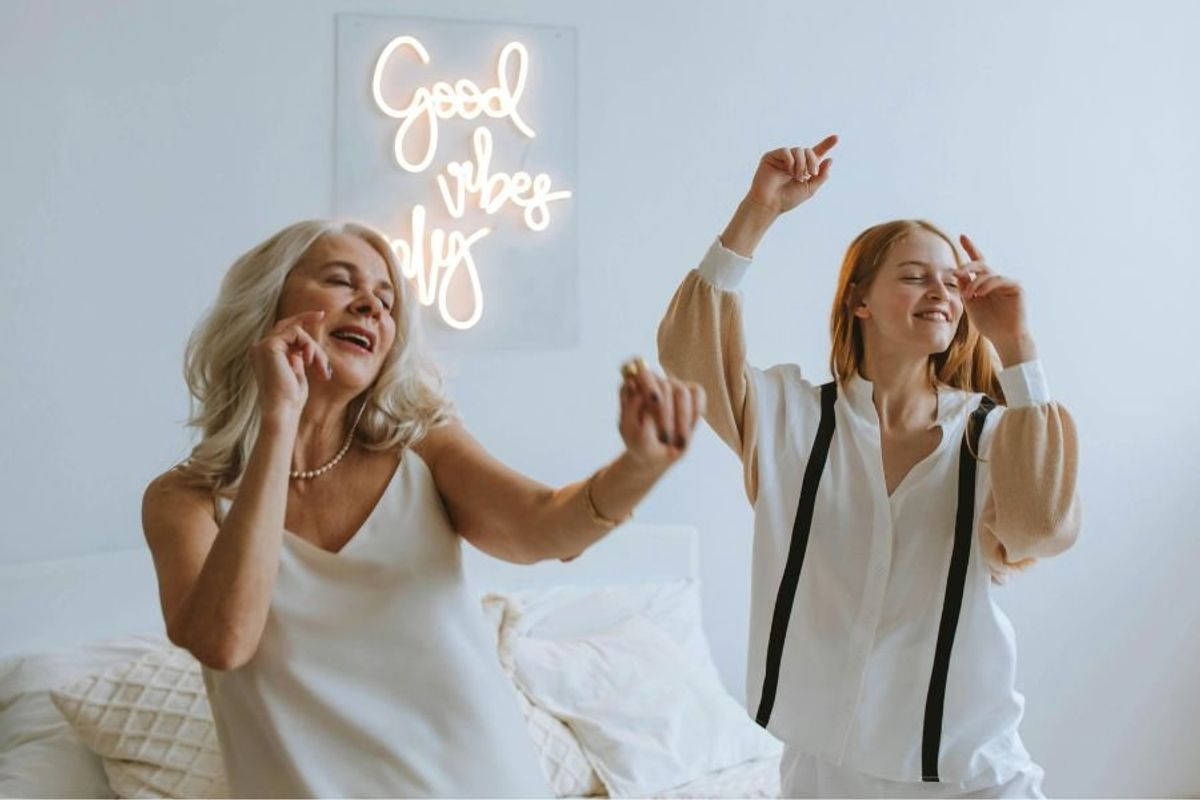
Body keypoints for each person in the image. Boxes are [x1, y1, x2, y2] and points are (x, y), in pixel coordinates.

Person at [142, 219, 704, 798]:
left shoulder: (424, 448)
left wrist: (638, 467)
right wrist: (281, 418)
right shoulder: (185, 501)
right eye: (341, 282)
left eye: (387, 301)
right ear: (267, 306)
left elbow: (544, 526)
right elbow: (223, 642)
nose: (370, 307)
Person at [658, 136, 1081, 798]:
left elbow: (1043, 529)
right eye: (914, 275)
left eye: (952, 280)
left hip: (966, 770)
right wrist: (759, 208)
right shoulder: (791, 418)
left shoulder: (993, 434)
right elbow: (689, 357)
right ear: (859, 301)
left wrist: (1019, 349)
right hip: (827, 770)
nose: (939, 290)